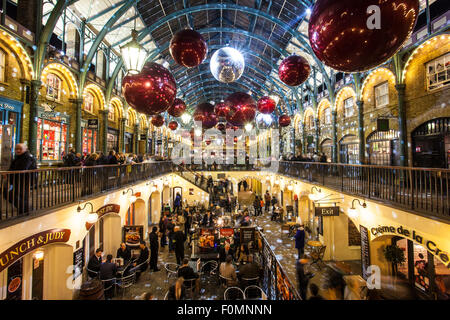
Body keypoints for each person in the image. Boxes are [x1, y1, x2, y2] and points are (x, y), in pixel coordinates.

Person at [7, 143, 37, 214]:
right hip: (18, 180)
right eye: (16, 149)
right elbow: (12, 167)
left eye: (20, 149)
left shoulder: (27, 157)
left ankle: (25, 209)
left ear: (25, 149)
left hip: (24, 180)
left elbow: (22, 168)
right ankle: (24, 209)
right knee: (19, 195)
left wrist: (9, 172)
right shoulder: (18, 157)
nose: (18, 150)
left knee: (16, 194)